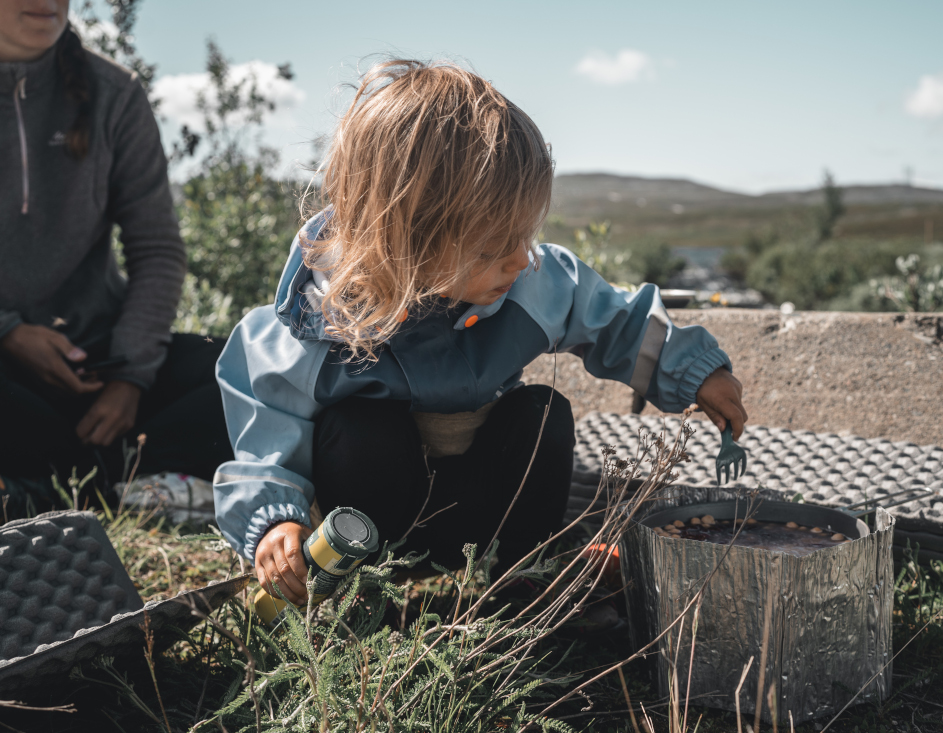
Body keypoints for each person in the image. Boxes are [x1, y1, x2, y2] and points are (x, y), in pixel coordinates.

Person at [213, 59, 749, 605]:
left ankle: (522, 579)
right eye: (494, 247)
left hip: (473, 506)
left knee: (541, 413)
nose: (520, 260)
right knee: (360, 430)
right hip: (371, 520)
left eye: (525, 235)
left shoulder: (528, 284)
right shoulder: (319, 322)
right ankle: (358, 596)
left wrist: (694, 371)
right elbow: (266, 429)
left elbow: (613, 318)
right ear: (409, 239)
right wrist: (273, 519)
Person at [0, 1, 233, 517]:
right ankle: (112, 482)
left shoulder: (114, 93)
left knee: (239, 370)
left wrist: (130, 379)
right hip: (9, 377)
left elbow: (156, 249)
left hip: (100, 367)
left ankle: (57, 485)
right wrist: (10, 332)